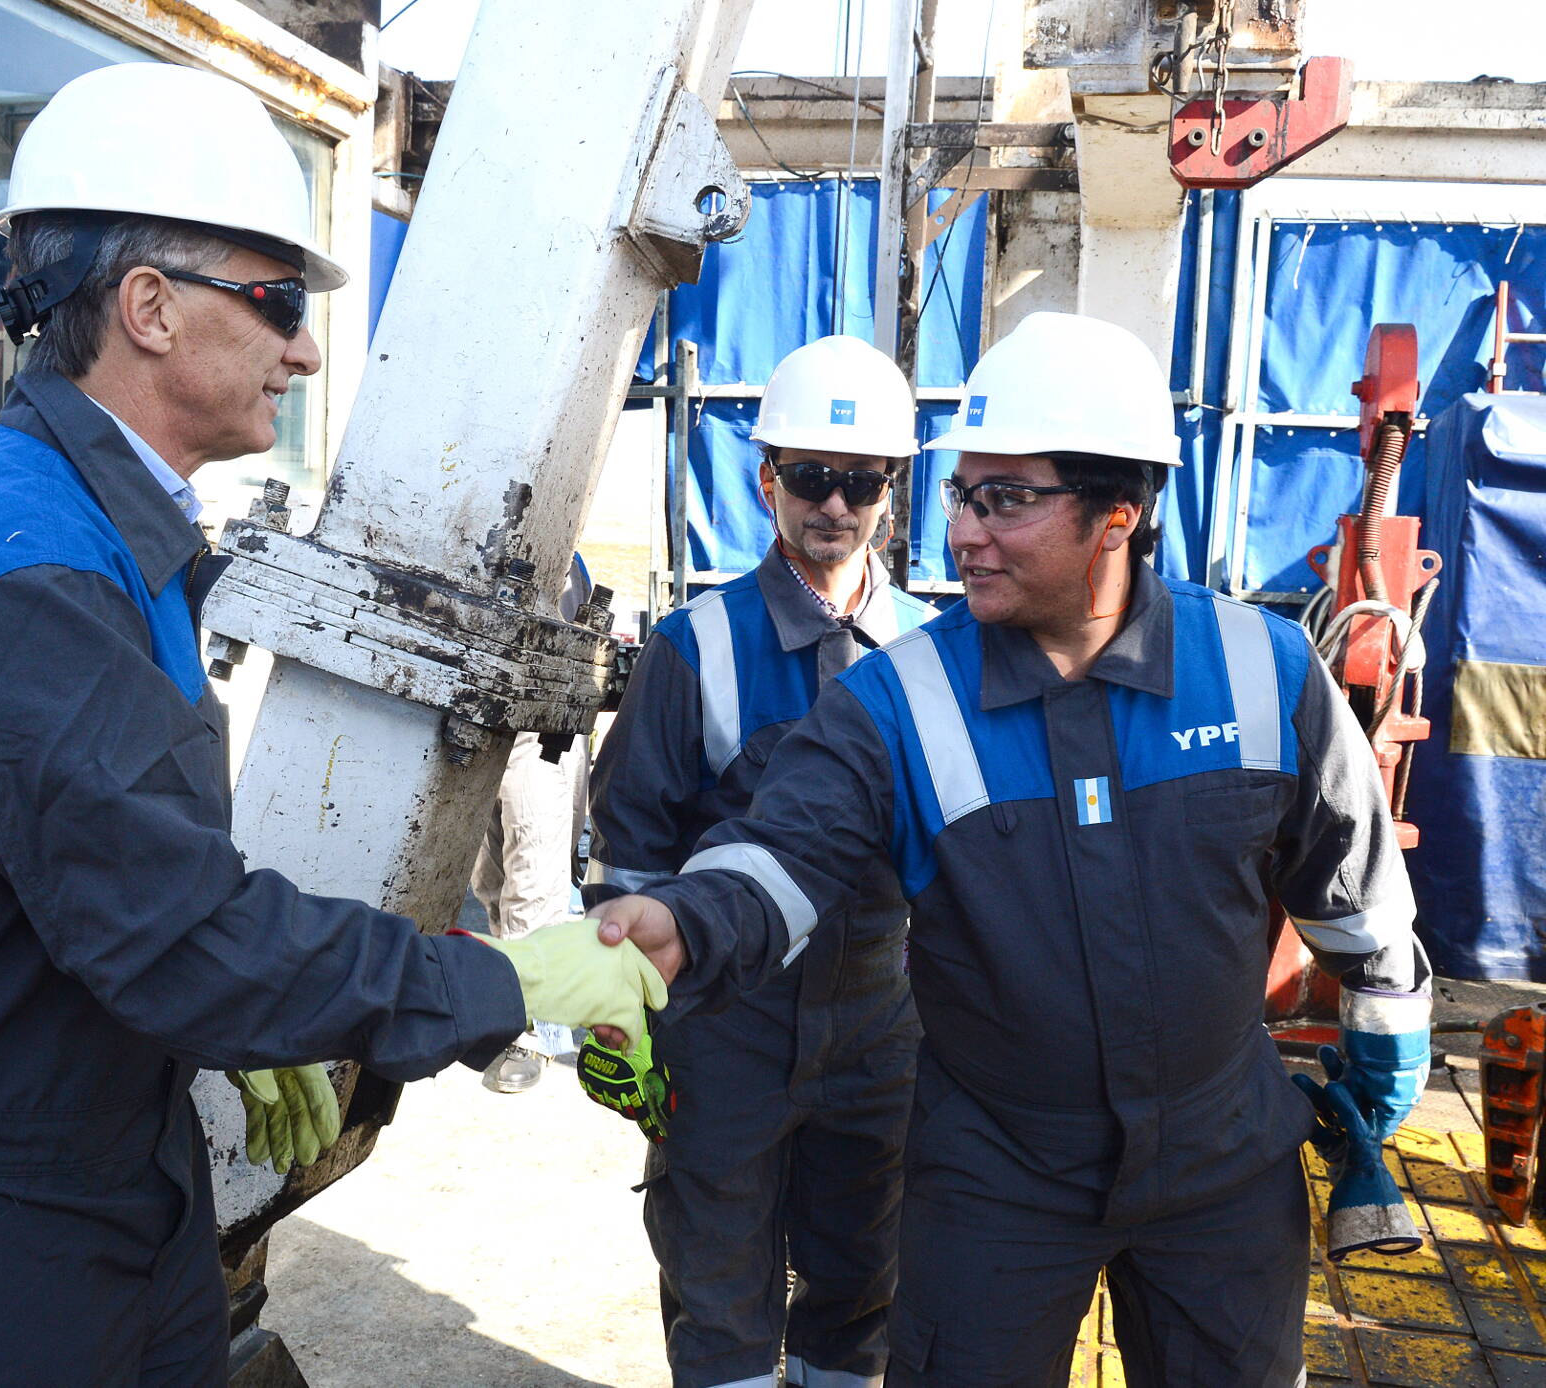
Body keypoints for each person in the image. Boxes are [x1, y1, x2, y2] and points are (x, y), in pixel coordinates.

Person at [0, 62, 662, 1385]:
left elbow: (121, 895)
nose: (300, 346)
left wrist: (226, 1028)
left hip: (68, 1177)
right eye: (280, 300)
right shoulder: (26, 574)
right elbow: (172, 935)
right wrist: (503, 982)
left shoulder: (83, 531)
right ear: (150, 309)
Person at [590, 312, 1430, 1387]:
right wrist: (684, 917)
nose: (964, 533)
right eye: (960, 493)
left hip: (1224, 1166)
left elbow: (1352, 883)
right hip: (997, 1175)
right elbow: (783, 849)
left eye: (1006, 499)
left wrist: (1389, 1024)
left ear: (1117, 512)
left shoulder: (1262, 670)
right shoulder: (897, 696)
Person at [585, 335, 935, 1388]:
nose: (835, 505)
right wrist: (624, 1004)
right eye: (812, 478)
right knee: (720, 1278)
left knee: (860, 1278)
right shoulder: (694, 647)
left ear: (892, 487)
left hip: (880, 1022)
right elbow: (633, 846)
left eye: (861, 482)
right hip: (726, 1024)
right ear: (766, 476)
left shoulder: (931, 651)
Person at [474, 554, 593, 1092]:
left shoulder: (562, 550)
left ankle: (534, 1029)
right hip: (476, 706)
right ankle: (512, 1004)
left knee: (535, 866)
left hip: (541, 723)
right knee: (489, 877)